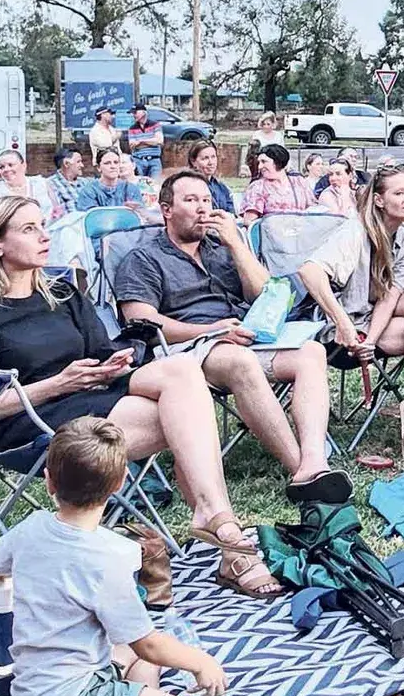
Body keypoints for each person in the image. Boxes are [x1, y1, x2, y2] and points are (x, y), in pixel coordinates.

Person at [0, 196, 276, 597]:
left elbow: (101, 351)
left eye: (43, 225)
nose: (45, 236)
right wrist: (59, 383)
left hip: (89, 399)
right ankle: (228, 539)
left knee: (184, 374)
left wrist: (115, 362)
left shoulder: (63, 294)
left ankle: (216, 519)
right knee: (185, 417)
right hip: (26, 424)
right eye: (29, 229)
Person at [0, 418, 226, 696]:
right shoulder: (107, 560)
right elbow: (150, 645)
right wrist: (200, 662)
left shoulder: (30, 529)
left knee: (139, 660)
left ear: (48, 480)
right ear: (121, 481)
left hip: (31, 693)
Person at [112, 172, 343, 514]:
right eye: (191, 201)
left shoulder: (222, 249)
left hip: (241, 335)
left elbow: (267, 294)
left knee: (311, 352)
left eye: (207, 200)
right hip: (183, 350)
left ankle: (314, 458)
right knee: (240, 361)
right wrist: (210, 331)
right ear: (166, 210)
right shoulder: (144, 259)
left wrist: (236, 244)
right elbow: (141, 320)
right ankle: (303, 474)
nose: (203, 208)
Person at [295, 167, 404, 456]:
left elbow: (389, 298)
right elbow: (309, 271)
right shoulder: (356, 231)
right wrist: (343, 323)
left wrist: (371, 337)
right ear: (379, 201)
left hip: (370, 322)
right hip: (338, 331)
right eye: (399, 193)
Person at [75, 148, 151, 216]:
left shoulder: (131, 189)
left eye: (116, 162)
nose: (113, 166)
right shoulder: (89, 191)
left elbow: (140, 216)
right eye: (107, 163)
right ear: (98, 168)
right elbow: (90, 218)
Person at [239, 144, 306, 219]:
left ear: (278, 162)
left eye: (264, 162)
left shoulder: (299, 182)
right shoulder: (257, 187)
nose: (259, 167)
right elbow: (250, 221)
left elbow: (313, 210)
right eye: (259, 162)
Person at [185, 140, 234, 215]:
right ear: (193, 161)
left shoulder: (221, 187)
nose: (211, 162)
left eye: (213, 157)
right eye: (205, 158)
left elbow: (231, 212)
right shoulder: (188, 187)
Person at [42, 145, 88, 220]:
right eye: (78, 162)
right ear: (66, 163)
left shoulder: (85, 183)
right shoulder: (50, 185)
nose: (82, 165)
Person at [125, 106, 163, 179]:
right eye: (133, 113)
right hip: (138, 161)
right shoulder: (132, 128)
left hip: (154, 160)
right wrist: (151, 141)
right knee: (139, 183)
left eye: (135, 113)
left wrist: (140, 141)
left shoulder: (155, 125)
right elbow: (132, 145)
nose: (134, 115)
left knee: (155, 184)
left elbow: (159, 141)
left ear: (144, 112)